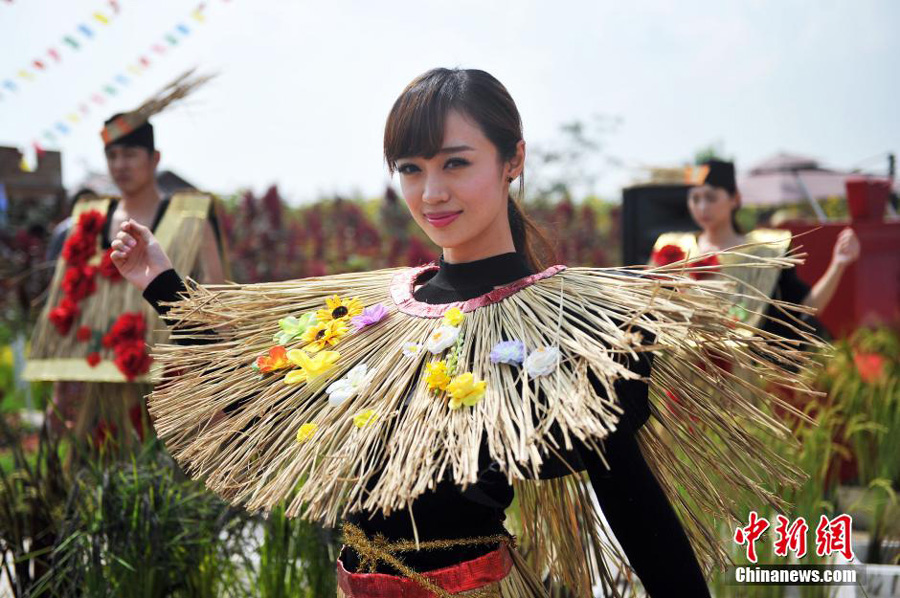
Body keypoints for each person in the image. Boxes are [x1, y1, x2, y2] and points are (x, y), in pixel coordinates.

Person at [111, 69, 818, 597]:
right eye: (410, 170)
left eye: (456, 163)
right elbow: (258, 378)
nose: (431, 193)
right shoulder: (375, 314)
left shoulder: (576, 325)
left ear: (513, 160)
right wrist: (161, 283)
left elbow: (633, 502)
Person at [25, 71, 226, 445]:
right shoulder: (84, 223)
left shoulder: (191, 220)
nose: (120, 165)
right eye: (112, 155)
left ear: (155, 159)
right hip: (94, 386)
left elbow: (215, 301)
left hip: (169, 383)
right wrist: (61, 395)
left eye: (130, 154)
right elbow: (66, 309)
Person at [651, 159, 860, 339]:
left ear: (735, 199)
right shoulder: (674, 247)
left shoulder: (766, 251)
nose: (702, 207)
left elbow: (804, 309)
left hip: (739, 368)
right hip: (678, 366)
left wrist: (838, 265)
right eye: (695, 198)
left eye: (711, 198)